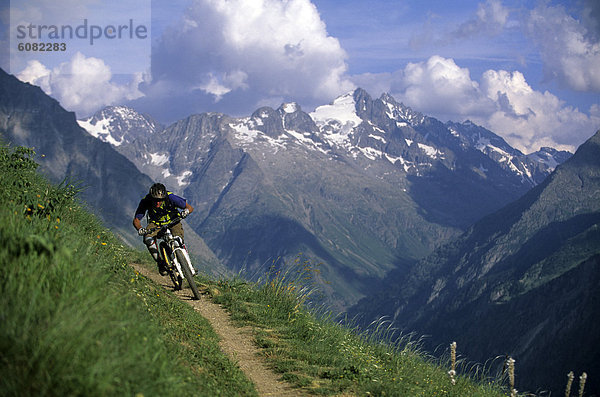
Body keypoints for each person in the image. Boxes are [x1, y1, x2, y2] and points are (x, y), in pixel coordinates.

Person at [133, 183, 194, 275]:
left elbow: (189, 207)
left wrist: (186, 211)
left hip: (174, 221)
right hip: (155, 224)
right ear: (151, 197)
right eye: (155, 200)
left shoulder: (171, 197)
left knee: (178, 241)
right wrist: (140, 229)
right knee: (148, 239)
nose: (158, 203)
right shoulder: (146, 201)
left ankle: (187, 264)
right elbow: (136, 219)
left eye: (160, 200)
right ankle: (161, 263)